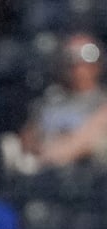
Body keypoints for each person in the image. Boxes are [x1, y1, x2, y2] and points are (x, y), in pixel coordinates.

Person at [17, 33, 107, 170]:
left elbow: (86, 142)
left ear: (98, 65)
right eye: (71, 60)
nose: (78, 68)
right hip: (48, 176)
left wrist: (61, 152)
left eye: (85, 61)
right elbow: (29, 139)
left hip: (92, 177)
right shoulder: (49, 101)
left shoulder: (103, 102)